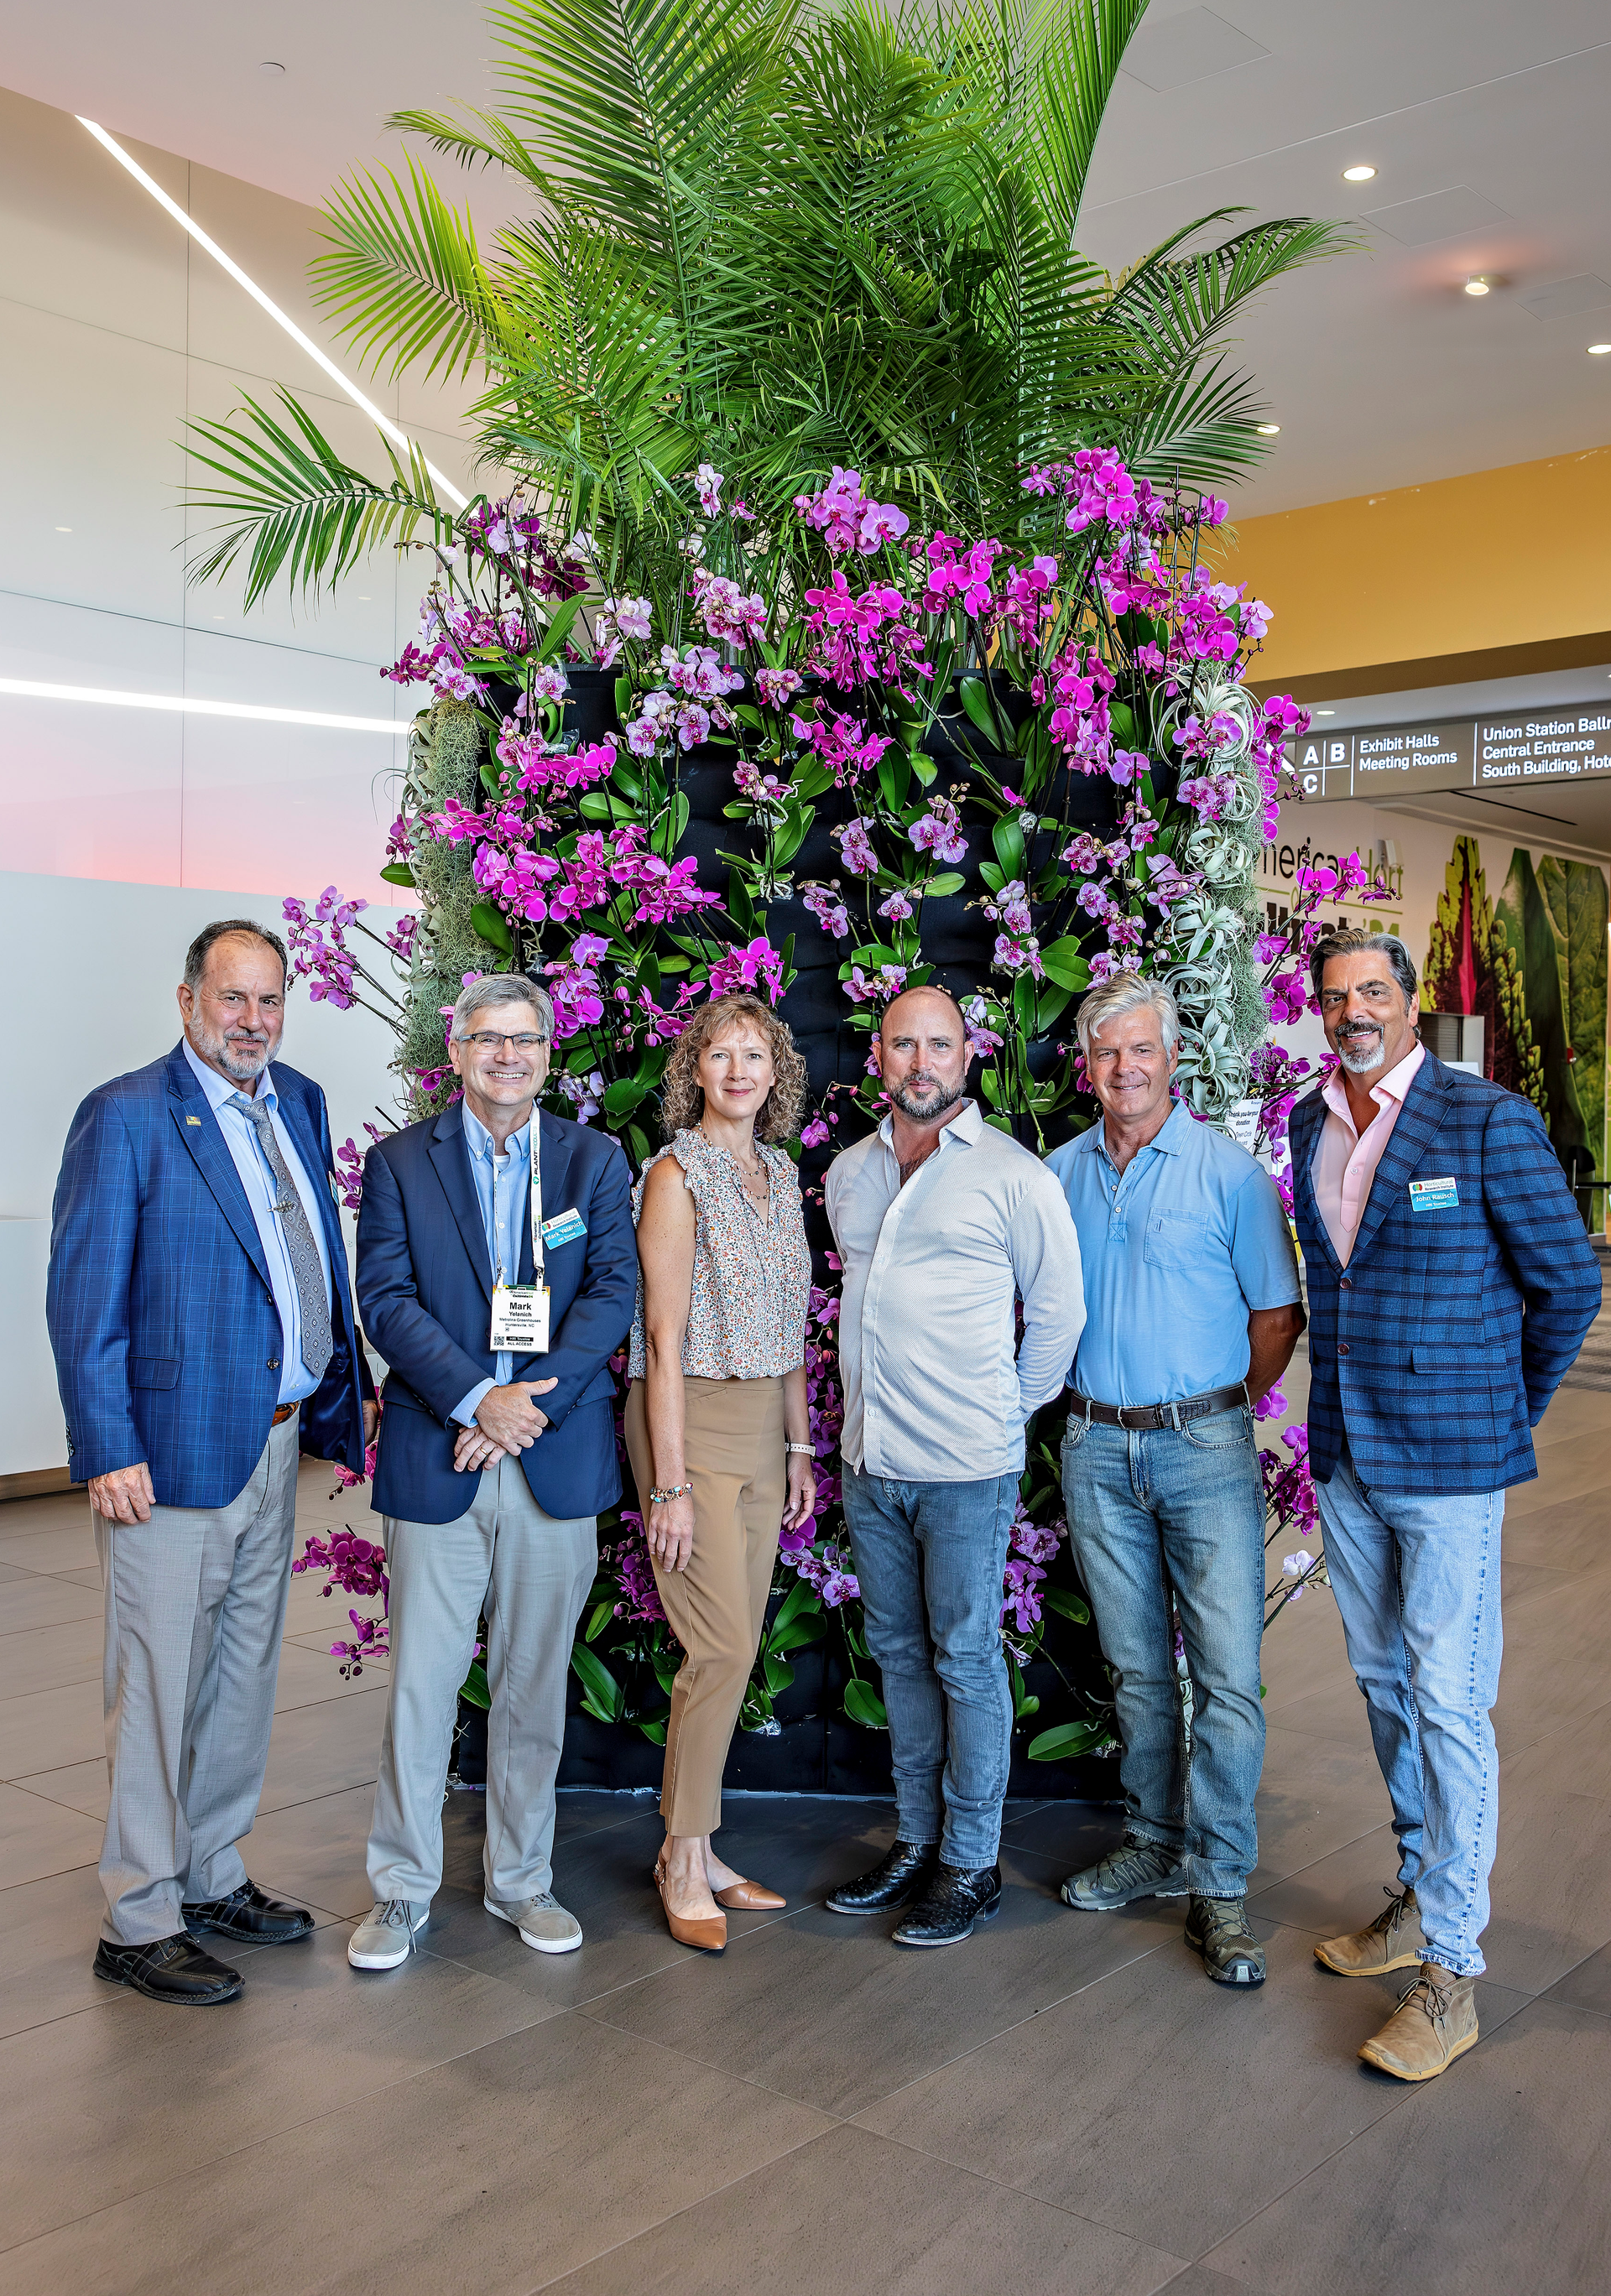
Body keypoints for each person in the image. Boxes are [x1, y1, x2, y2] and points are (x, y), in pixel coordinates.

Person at [46, 919, 374, 2006]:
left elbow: (303, 1255)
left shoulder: (303, 1101)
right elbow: (83, 1298)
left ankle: (211, 1872)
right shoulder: (129, 1117)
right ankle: (140, 1916)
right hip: (169, 1461)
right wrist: (107, 1446)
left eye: (270, 1000)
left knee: (240, 1679)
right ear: (187, 1001)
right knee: (153, 1687)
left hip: (272, 1445)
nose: (253, 1021)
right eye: (233, 999)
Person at [1290, 927, 1599, 2077]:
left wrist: (1496, 1408)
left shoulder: (1487, 1121)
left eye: (1373, 990)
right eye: (1335, 994)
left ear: (1411, 1005)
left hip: (1453, 1466)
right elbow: (1339, 1283)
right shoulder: (1304, 1124)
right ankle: (1421, 1891)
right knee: (1382, 1685)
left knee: (1450, 1701)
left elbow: (1566, 1283)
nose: (1353, 1009)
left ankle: (1455, 1971)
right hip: (1349, 1460)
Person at [349, 973, 637, 1970]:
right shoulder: (398, 1163)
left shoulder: (594, 1160)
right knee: (423, 1685)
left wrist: (529, 1406)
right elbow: (384, 1299)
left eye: (523, 1040)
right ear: (457, 1050)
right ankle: (400, 1890)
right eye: (486, 1039)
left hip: (550, 1455)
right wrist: (481, 1399)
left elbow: (611, 1295)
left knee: (531, 1685)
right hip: (444, 1448)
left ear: (548, 1054)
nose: (505, 1056)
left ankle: (522, 1880)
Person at [1045, 976, 1305, 1987]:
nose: (1125, 1068)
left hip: (1204, 1450)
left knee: (1229, 1677)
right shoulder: (1059, 1173)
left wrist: (1211, 1409)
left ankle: (1224, 1885)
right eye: (1108, 1052)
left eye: (1141, 1049)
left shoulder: (1228, 1174)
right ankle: (1155, 1845)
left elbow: (1275, 1318)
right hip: (1096, 1449)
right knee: (1141, 1669)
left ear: (1172, 1057)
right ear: (1089, 1063)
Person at [822, 984, 1086, 1946]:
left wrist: (1000, 1415)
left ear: (968, 1057)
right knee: (897, 1655)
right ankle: (919, 1839)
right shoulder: (849, 1173)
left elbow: (1058, 1314)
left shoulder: (1015, 1175)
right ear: (879, 1059)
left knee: (967, 1661)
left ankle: (972, 1864)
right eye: (904, 1045)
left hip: (967, 1470)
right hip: (871, 1460)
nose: (920, 1062)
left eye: (939, 1045)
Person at [624, 993, 816, 1951]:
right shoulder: (674, 1173)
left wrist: (799, 1444)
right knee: (722, 1647)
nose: (738, 1070)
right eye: (720, 1054)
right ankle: (683, 1855)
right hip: (688, 1418)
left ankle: (696, 1843)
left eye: (755, 1055)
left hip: (759, 1429)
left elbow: (790, 1331)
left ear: (776, 1072)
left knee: (733, 1651)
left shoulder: (781, 1173)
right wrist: (668, 1483)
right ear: (693, 1070)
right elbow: (660, 1335)